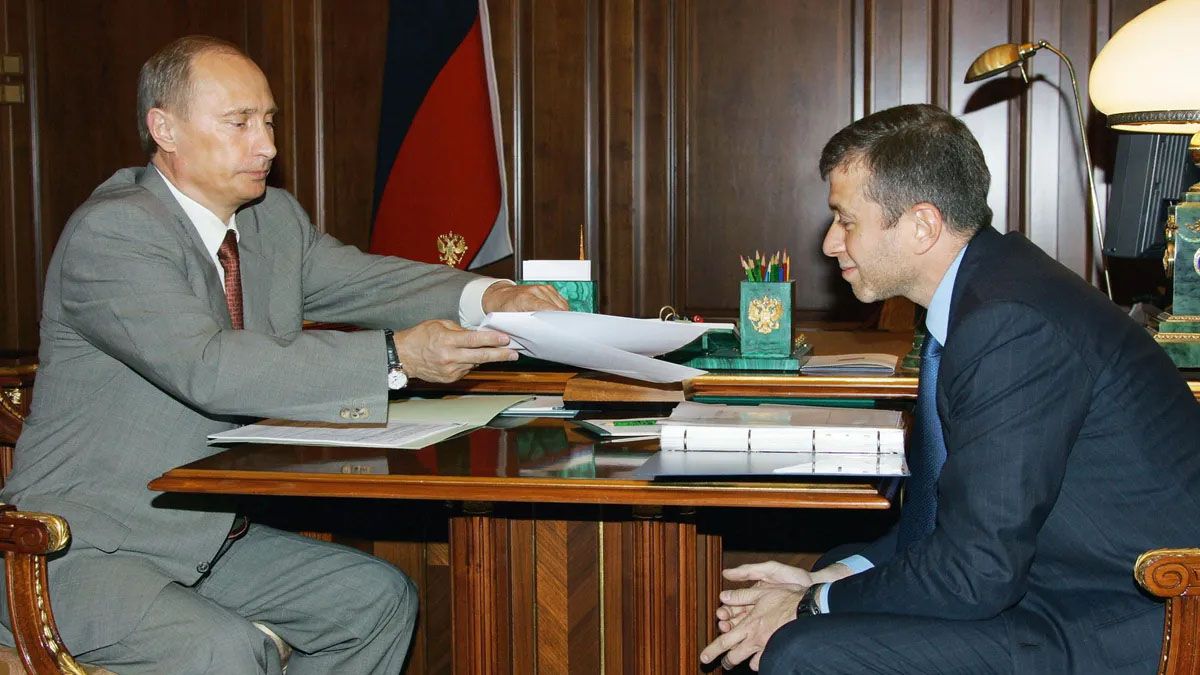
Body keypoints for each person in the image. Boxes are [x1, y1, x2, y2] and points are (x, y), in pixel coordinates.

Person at [0, 35, 567, 674]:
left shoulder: (272, 221)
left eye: (268, 121)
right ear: (165, 129)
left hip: (208, 539)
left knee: (373, 602)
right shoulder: (116, 231)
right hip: (80, 551)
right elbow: (210, 368)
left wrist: (492, 292)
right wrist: (395, 358)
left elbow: (368, 282)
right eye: (239, 122)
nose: (267, 144)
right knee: (226, 651)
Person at [700, 103, 1200, 673]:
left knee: (802, 650)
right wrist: (828, 580)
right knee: (840, 561)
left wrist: (810, 606)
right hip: (1058, 581)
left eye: (846, 221)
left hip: (1134, 621)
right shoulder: (991, 292)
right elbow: (954, 522)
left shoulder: (1011, 324)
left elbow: (977, 570)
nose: (830, 244)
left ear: (921, 225)